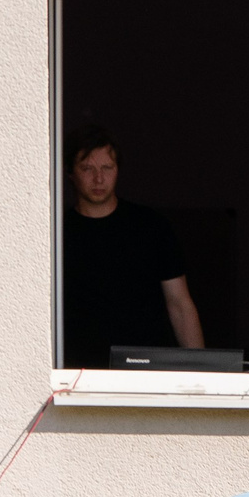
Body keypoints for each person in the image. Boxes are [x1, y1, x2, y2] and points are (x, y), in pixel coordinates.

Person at [59, 125, 204, 368]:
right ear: (70, 173)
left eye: (107, 168)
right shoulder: (57, 234)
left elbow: (179, 304)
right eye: (87, 168)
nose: (98, 178)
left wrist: (203, 375)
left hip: (147, 370)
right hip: (77, 373)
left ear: (118, 171)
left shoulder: (152, 227)